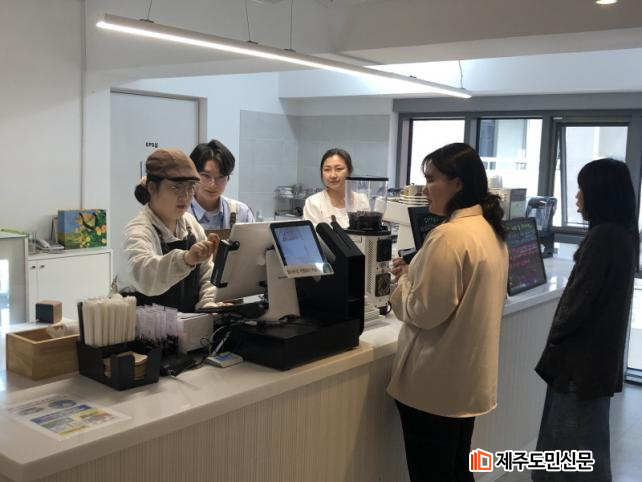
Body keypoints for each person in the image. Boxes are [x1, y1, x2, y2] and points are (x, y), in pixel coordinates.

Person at [387, 143, 509, 482]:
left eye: (431, 179)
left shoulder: (449, 236)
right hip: (465, 382)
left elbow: (423, 312)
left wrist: (403, 283)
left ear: (457, 183)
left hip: (434, 385)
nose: (424, 189)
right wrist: (416, 273)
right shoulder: (489, 230)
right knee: (456, 470)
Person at [532, 159, 639, 482]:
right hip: (598, 363)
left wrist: (556, 333)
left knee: (568, 451)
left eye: (582, 189)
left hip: (579, 366)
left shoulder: (602, 238)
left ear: (600, 194)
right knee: (589, 446)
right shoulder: (624, 235)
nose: (577, 197)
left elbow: (577, 304)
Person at [124, 148, 220, 313]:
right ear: (152, 188)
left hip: (188, 323)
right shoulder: (138, 231)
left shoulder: (190, 224)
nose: (185, 196)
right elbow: (146, 276)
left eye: (191, 187)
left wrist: (208, 305)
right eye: (176, 187)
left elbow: (207, 272)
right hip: (146, 325)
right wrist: (186, 259)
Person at [189, 140, 254, 230]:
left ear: (228, 178)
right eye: (206, 176)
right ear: (193, 174)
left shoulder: (242, 213)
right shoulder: (179, 213)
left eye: (220, 177)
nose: (213, 184)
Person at [302, 148, 369, 228]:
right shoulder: (313, 203)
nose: (333, 175)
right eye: (327, 170)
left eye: (339, 169)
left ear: (349, 171)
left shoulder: (362, 200)